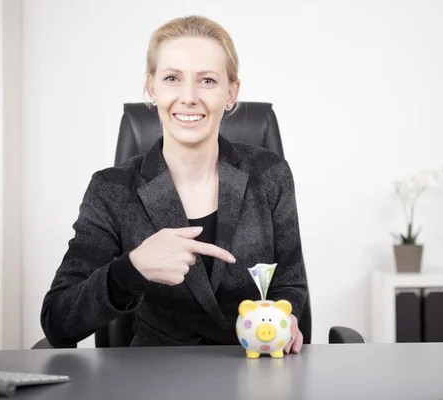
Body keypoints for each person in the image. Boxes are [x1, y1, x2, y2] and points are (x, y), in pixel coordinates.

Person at [40, 15, 308, 353]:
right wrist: (131, 269)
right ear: (152, 88)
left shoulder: (270, 174)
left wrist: (289, 316)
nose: (189, 97)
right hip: (154, 377)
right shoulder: (112, 189)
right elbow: (57, 322)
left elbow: (290, 282)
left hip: (254, 368)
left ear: (231, 92)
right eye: (172, 78)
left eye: (207, 81)